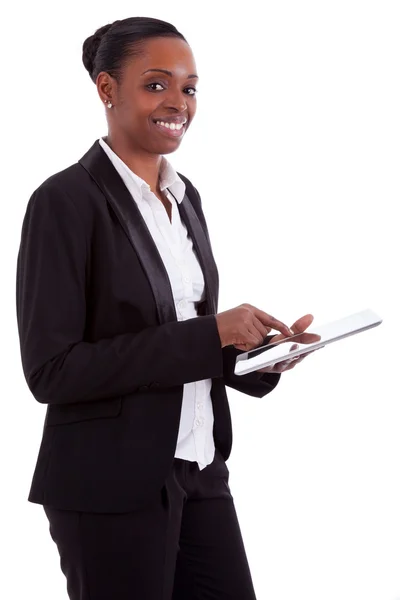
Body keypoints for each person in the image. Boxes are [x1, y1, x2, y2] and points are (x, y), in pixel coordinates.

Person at [15, 16, 314, 600]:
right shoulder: (64, 202)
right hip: (108, 485)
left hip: (199, 470)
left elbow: (178, 339)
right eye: (156, 84)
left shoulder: (184, 197)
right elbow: (51, 371)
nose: (178, 102)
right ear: (107, 89)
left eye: (189, 87)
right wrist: (211, 333)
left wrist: (253, 356)